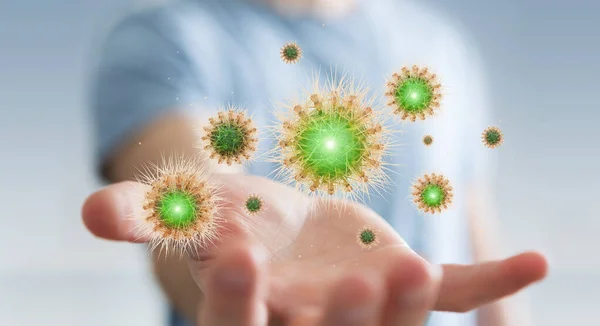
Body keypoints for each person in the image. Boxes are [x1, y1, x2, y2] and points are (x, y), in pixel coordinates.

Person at [81, 0, 548, 325]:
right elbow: (190, 206)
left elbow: (473, 235)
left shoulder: (440, 45)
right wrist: (239, 269)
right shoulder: (167, 36)